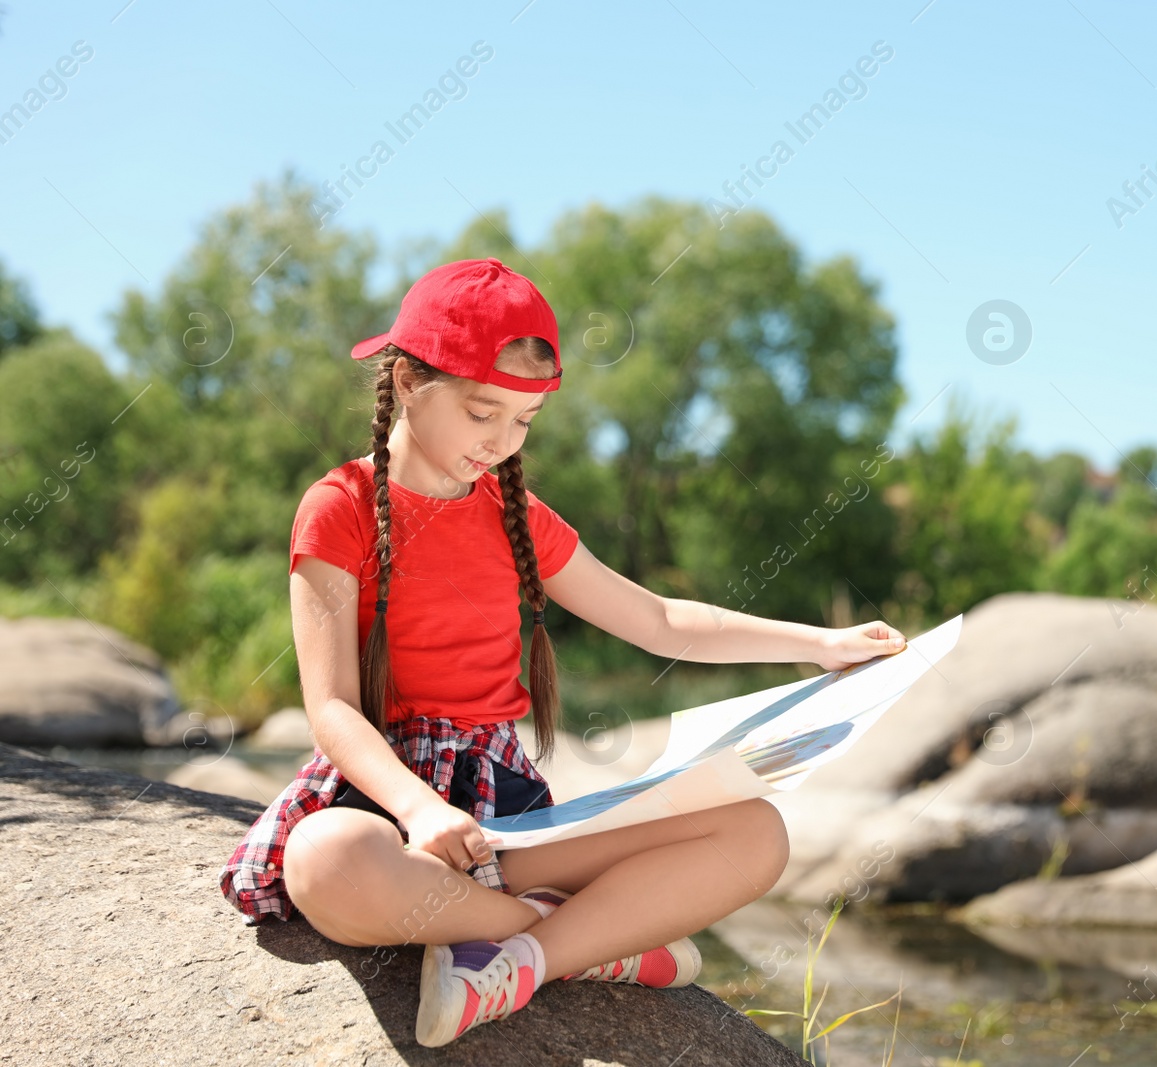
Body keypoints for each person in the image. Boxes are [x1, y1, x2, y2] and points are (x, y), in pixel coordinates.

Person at [216, 257, 908, 1048]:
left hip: (509, 820)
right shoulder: (336, 507)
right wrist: (417, 808)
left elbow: (662, 621)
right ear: (408, 381)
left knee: (756, 831)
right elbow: (331, 706)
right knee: (325, 860)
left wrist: (819, 644)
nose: (503, 442)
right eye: (484, 414)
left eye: (524, 422)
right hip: (393, 806)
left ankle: (526, 956)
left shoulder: (515, 515)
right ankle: (592, 939)